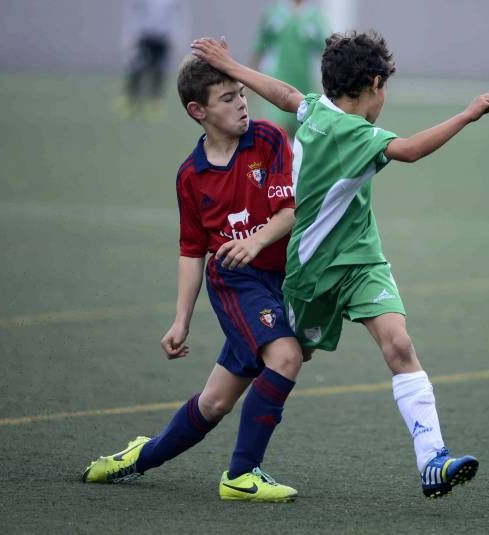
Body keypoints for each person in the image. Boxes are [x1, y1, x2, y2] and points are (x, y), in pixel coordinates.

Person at [191, 31, 489, 499]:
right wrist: (467, 113)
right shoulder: (354, 132)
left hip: (361, 262)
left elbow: (285, 94)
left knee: (398, 344)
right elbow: (412, 150)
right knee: (262, 371)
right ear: (375, 83)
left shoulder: (316, 110)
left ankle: (433, 460)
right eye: (386, 87)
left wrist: (232, 66)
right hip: (312, 274)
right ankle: (213, 452)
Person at [83, 53, 308, 503]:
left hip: (278, 282)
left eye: (241, 94)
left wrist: (256, 240)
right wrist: (181, 319)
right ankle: (242, 475)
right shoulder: (191, 176)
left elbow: (289, 213)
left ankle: (136, 458)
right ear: (197, 111)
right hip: (234, 282)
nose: (242, 104)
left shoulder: (267, 138)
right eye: (228, 98)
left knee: (215, 403)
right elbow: (191, 250)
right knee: (285, 357)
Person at [251, 0, 328, 136]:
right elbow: (259, 48)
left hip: (305, 83)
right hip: (278, 81)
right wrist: (249, 82)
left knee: (303, 132)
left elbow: (325, 50)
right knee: (280, 131)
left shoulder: (314, 17)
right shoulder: (274, 12)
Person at [114, 0, 190, 121]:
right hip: (144, 36)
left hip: (164, 38)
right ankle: (130, 99)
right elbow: (133, 13)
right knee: (135, 67)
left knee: (160, 70)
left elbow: (181, 17)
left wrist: (178, 38)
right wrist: (129, 33)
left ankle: (155, 101)